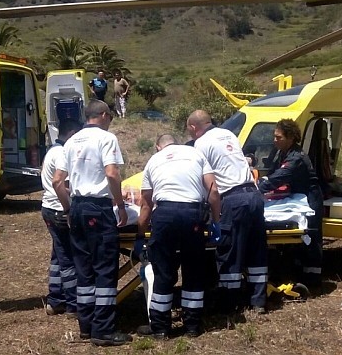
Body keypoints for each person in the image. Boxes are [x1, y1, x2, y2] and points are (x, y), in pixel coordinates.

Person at [52, 100, 132, 347]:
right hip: (98, 207)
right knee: (104, 269)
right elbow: (111, 173)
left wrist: (68, 209)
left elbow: (57, 181)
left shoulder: (71, 141)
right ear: (105, 116)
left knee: (83, 269)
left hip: (77, 206)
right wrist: (119, 205)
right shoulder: (106, 139)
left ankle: (86, 326)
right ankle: (103, 330)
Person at [135, 134, 221, 339]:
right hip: (192, 215)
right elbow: (214, 191)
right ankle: (192, 326)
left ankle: (160, 328)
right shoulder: (196, 154)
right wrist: (216, 222)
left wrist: (140, 234)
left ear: (158, 147)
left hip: (164, 215)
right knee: (193, 269)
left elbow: (146, 204)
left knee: (163, 271)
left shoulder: (153, 161)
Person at [187, 110, 268, 315]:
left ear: (193, 127)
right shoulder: (229, 135)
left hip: (233, 199)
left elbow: (205, 181)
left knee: (230, 250)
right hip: (254, 195)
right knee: (256, 248)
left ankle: (229, 303)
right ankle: (258, 301)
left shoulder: (201, 144)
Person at [257, 119, 324, 290]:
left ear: (291, 137)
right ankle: (295, 270)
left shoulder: (297, 158)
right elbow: (273, 173)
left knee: (311, 237)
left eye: (278, 137)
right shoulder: (282, 153)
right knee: (301, 242)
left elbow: (280, 176)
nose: (275, 140)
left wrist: (257, 188)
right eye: (274, 136)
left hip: (310, 199)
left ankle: (313, 278)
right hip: (297, 195)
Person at [41, 119, 82, 319]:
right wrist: (69, 209)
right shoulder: (62, 153)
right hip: (58, 209)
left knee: (58, 255)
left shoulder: (52, 150)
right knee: (69, 258)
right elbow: (61, 184)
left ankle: (55, 300)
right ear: (72, 133)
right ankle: (73, 304)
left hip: (48, 207)